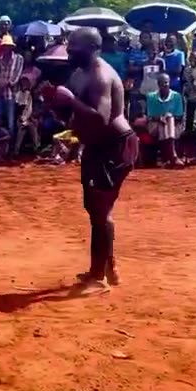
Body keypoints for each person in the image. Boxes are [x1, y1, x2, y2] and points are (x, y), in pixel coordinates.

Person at [50, 27, 138, 293]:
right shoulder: (79, 73)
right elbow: (75, 117)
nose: (68, 50)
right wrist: (56, 104)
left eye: (73, 47)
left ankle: (99, 278)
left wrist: (71, 100)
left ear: (90, 48)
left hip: (115, 146)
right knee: (93, 206)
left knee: (101, 209)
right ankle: (106, 267)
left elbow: (101, 117)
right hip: (97, 146)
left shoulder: (101, 75)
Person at [145, 72, 183, 165]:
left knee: (167, 122)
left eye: (166, 82)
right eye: (162, 83)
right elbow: (151, 115)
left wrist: (167, 117)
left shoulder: (177, 96)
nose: (164, 85)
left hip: (174, 125)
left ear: (170, 83)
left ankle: (167, 158)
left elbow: (179, 116)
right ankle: (172, 156)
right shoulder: (151, 97)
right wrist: (161, 118)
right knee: (163, 124)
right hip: (154, 125)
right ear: (158, 84)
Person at [0, 34, 23, 135]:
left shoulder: (18, 59)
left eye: (8, 46)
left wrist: (3, 84)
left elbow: (16, 78)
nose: (6, 48)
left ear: (11, 47)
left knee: (10, 122)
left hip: (11, 94)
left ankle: (10, 146)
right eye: (4, 46)